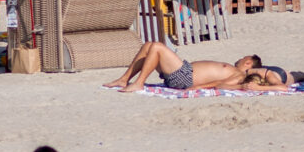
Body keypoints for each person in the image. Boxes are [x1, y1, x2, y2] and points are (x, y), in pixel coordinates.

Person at [105, 44, 286, 92]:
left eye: (243, 58)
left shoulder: (239, 74)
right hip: (183, 72)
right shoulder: (234, 70)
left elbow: (219, 83)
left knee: (157, 47)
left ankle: (139, 83)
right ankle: (124, 79)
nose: (238, 59)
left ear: (249, 63)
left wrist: (196, 88)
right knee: (149, 46)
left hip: (186, 77)